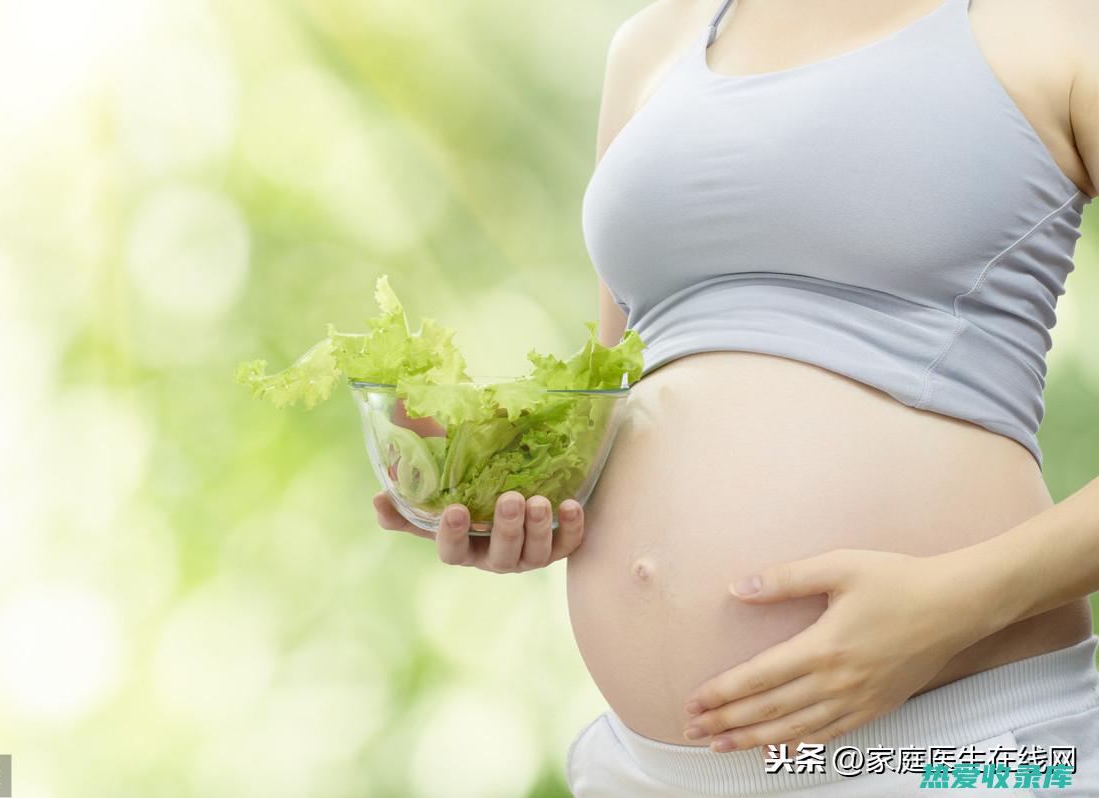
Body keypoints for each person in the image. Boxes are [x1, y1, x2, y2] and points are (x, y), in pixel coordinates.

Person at [375, 0, 1099, 794]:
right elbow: (620, 389)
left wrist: (953, 606)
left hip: (952, 749)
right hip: (650, 770)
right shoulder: (653, 45)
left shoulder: (1058, 27)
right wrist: (508, 480)